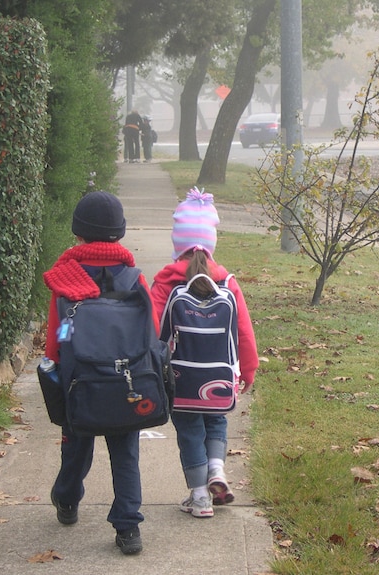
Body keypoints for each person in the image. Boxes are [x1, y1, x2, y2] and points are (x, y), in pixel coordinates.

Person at [42, 191, 159, 555]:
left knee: (76, 447)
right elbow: (150, 330)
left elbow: (58, 332)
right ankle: (128, 528)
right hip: (127, 383)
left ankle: (67, 500)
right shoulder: (134, 277)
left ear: (78, 233)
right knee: (125, 454)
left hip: (82, 381)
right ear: (119, 234)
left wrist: (58, 362)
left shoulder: (66, 277)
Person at [151, 188, 258, 518]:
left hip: (181, 379)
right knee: (216, 422)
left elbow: (152, 328)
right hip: (219, 376)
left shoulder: (167, 280)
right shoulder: (225, 280)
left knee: (189, 431)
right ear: (210, 243)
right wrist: (249, 369)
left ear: (177, 243)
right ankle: (217, 472)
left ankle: (199, 498)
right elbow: (243, 330)